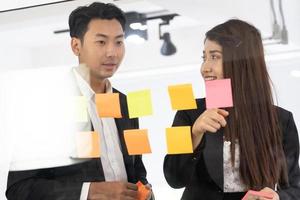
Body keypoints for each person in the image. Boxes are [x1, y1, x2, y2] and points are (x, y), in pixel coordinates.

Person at [6, 2, 153, 200]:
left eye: (118, 42)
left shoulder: (124, 102)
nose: (112, 52)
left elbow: (136, 169)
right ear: (76, 46)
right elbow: (20, 188)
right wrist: (89, 192)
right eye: (101, 42)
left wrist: (144, 190)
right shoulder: (46, 104)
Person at [163, 19, 300, 200]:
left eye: (215, 57)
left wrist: (277, 197)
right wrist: (194, 133)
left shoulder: (281, 120)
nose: (205, 68)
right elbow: (173, 178)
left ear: (242, 61)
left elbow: (294, 187)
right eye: (204, 57)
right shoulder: (188, 111)